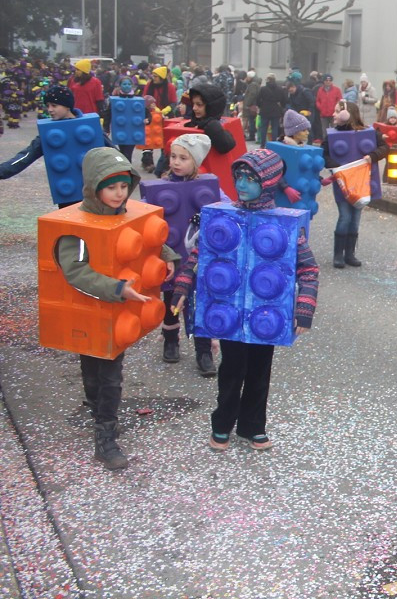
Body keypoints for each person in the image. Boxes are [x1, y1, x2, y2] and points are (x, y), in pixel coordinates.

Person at [170, 148, 319, 451]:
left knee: (259, 371)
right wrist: (182, 289)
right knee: (231, 369)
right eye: (239, 176)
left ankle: (253, 426)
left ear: (267, 182)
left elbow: (309, 269)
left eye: (250, 178)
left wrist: (304, 310)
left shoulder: (284, 227)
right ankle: (222, 423)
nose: (241, 183)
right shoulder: (222, 218)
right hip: (229, 311)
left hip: (268, 314)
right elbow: (198, 258)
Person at [56, 147, 179, 469]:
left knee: (110, 374)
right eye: (111, 187)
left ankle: (105, 434)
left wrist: (167, 255)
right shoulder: (79, 226)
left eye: (124, 186)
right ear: (94, 187)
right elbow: (75, 271)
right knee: (91, 368)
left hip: (117, 313)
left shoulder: (123, 211)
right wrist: (116, 288)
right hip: (90, 307)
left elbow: (142, 237)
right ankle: (98, 412)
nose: (119, 193)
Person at [153, 134, 227, 376]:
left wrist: (209, 215)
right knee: (170, 301)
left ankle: (203, 350)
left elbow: (226, 207)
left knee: (201, 303)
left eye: (183, 158)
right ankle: (171, 339)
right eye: (173, 156)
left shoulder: (207, 188)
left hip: (199, 261)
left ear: (195, 162)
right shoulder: (162, 187)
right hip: (171, 258)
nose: (175, 162)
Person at [0, 85, 109, 206]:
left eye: (54, 105)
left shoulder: (90, 128)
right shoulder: (50, 134)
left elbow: (114, 154)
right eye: (47, 106)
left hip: (98, 195)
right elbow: (25, 157)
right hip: (68, 194)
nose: (50, 110)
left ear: (67, 105)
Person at [323, 101, 389, 268]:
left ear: (347, 113)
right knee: (345, 216)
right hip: (343, 183)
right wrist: (336, 166)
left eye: (337, 111)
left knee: (355, 219)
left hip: (361, 184)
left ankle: (350, 254)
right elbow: (324, 155)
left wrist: (372, 156)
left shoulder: (368, 133)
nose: (333, 114)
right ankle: (338, 255)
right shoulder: (332, 135)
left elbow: (384, 147)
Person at [256, 73, 288, 148]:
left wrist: (261, 106)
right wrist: (281, 107)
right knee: (275, 127)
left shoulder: (263, 89)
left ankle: (262, 144)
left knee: (264, 128)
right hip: (275, 109)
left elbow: (258, 99)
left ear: (267, 80)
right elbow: (284, 100)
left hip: (265, 109)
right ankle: (274, 144)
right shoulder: (280, 89)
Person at [314, 74, 342, 144]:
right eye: (326, 80)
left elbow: (339, 100)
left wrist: (336, 109)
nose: (328, 82)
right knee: (325, 132)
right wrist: (320, 107)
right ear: (324, 81)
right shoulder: (320, 90)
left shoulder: (337, 90)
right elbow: (317, 100)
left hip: (334, 114)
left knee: (335, 130)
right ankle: (326, 145)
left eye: (330, 80)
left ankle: (335, 143)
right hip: (323, 114)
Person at [243, 73, 261, 142]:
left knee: (251, 121)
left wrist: (247, 104)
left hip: (251, 106)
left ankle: (251, 135)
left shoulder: (253, 85)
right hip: (254, 105)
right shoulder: (256, 84)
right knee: (252, 121)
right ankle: (252, 135)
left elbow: (252, 95)